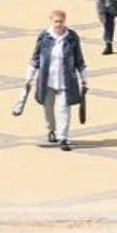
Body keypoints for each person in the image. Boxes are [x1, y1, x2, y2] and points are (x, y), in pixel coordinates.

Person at [19, 10, 88, 151]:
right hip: (47, 80)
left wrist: (84, 78)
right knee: (48, 108)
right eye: (56, 21)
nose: (59, 24)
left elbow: (79, 59)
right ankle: (51, 130)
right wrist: (29, 77)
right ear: (51, 22)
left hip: (66, 80)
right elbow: (35, 58)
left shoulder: (72, 37)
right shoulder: (44, 37)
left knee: (64, 109)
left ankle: (64, 138)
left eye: (61, 21)